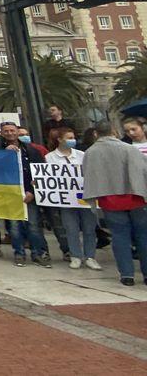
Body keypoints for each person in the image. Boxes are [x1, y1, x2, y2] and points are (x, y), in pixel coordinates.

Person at [82, 120, 147, 286]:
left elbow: (88, 175)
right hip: (135, 197)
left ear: (96, 133)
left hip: (109, 199)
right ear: (114, 131)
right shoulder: (129, 149)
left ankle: (127, 274)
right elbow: (143, 171)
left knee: (119, 236)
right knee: (143, 236)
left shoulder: (91, 152)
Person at [0, 121, 51, 267]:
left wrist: (32, 191)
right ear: (1, 133)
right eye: (6, 131)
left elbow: (40, 172)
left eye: (12, 130)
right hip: (10, 194)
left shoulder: (31, 150)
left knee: (34, 225)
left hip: (29, 194)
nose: (10, 133)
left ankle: (38, 253)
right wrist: (4, 153)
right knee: (14, 227)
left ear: (17, 132)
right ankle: (19, 253)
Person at [44, 127, 100, 271]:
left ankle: (90, 256)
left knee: (89, 228)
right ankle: (75, 255)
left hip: (84, 197)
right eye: (68, 138)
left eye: (73, 137)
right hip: (66, 199)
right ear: (59, 140)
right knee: (71, 228)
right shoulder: (50, 157)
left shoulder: (82, 155)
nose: (72, 140)